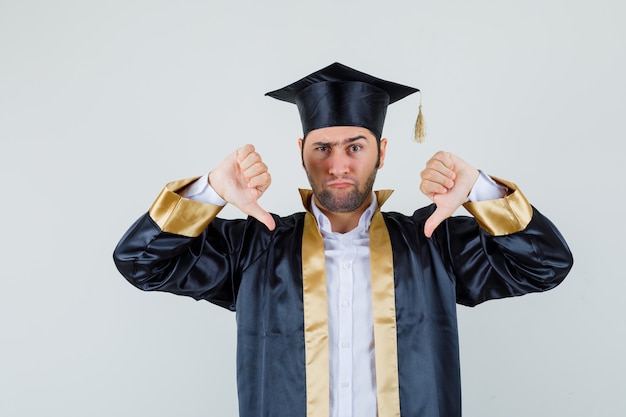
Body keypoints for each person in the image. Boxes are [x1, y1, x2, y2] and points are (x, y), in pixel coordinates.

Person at [113, 62, 573, 417]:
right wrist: (211, 189)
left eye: (355, 146)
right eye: (322, 148)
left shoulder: (432, 242)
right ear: (301, 153)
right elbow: (142, 263)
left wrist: (479, 191)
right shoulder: (256, 247)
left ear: (382, 151)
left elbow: (545, 265)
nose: (337, 166)